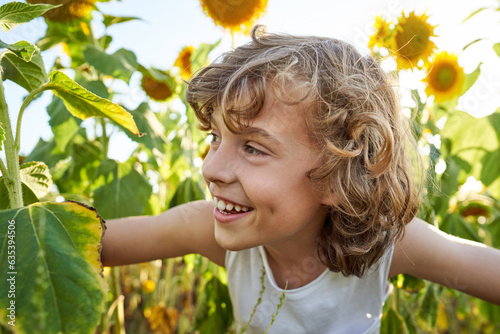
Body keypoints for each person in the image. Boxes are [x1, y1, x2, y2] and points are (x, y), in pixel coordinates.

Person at [101, 26, 500, 333]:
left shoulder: (386, 243)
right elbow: (89, 243)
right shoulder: (208, 227)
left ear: (336, 177)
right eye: (215, 138)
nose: (210, 168)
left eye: (253, 148)